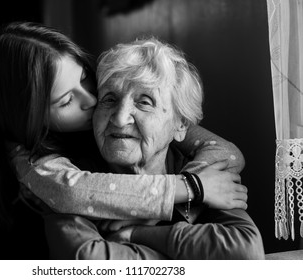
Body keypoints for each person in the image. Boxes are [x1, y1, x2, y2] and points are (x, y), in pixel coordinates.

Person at [0, 22, 247, 243]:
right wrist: (191, 189)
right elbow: (73, 193)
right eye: (66, 101)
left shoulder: (161, 122)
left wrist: (185, 201)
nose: (91, 100)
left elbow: (226, 153)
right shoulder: (33, 161)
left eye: (84, 79)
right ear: (29, 119)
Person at [41, 37, 265, 259]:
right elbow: (87, 262)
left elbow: (244, 250)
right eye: (109, 99)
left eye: (144, 101)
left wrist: (137, 234)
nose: (119, 119)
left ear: (180, 125)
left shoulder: (203, 170)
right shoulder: (73, 178)